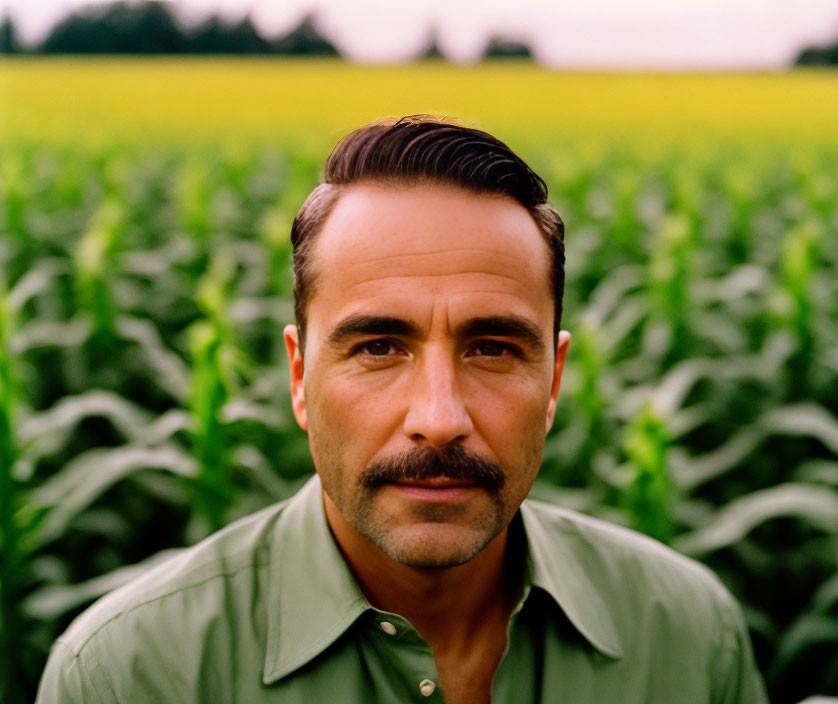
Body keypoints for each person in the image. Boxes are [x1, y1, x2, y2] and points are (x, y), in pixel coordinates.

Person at [37, 115, 768, 703]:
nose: (440, 416)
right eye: (380, 347)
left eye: (493, 349)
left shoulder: (689, 637)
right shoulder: (125, 677)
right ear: (298, 375)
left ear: (554, 381)